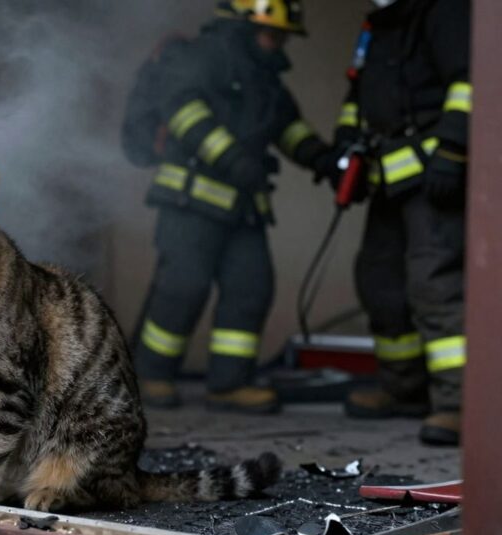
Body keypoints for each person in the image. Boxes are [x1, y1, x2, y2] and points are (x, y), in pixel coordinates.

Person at [131, 0, 335, 412]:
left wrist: (320, 157)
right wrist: (232, 158)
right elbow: (183, 110)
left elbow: (287, 127)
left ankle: (229, 384)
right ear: (243, 26)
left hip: (244, 209)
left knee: (251, 288)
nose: (278, 44)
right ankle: (150, 375)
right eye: (271, 34)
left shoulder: (267, 75)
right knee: (183, 288)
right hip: (191, 201)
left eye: (283, 37)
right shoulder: (204, 56)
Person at [331, 0, 470, 446]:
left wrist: (453, 150)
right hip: (389, 175)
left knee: (435, 282)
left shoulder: (442, 12)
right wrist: (345, 143)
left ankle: (459, 403)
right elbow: (359, 97)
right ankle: (404, 388)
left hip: (433, 175)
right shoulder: (378, 25)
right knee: (379, 279)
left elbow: (470, 82)